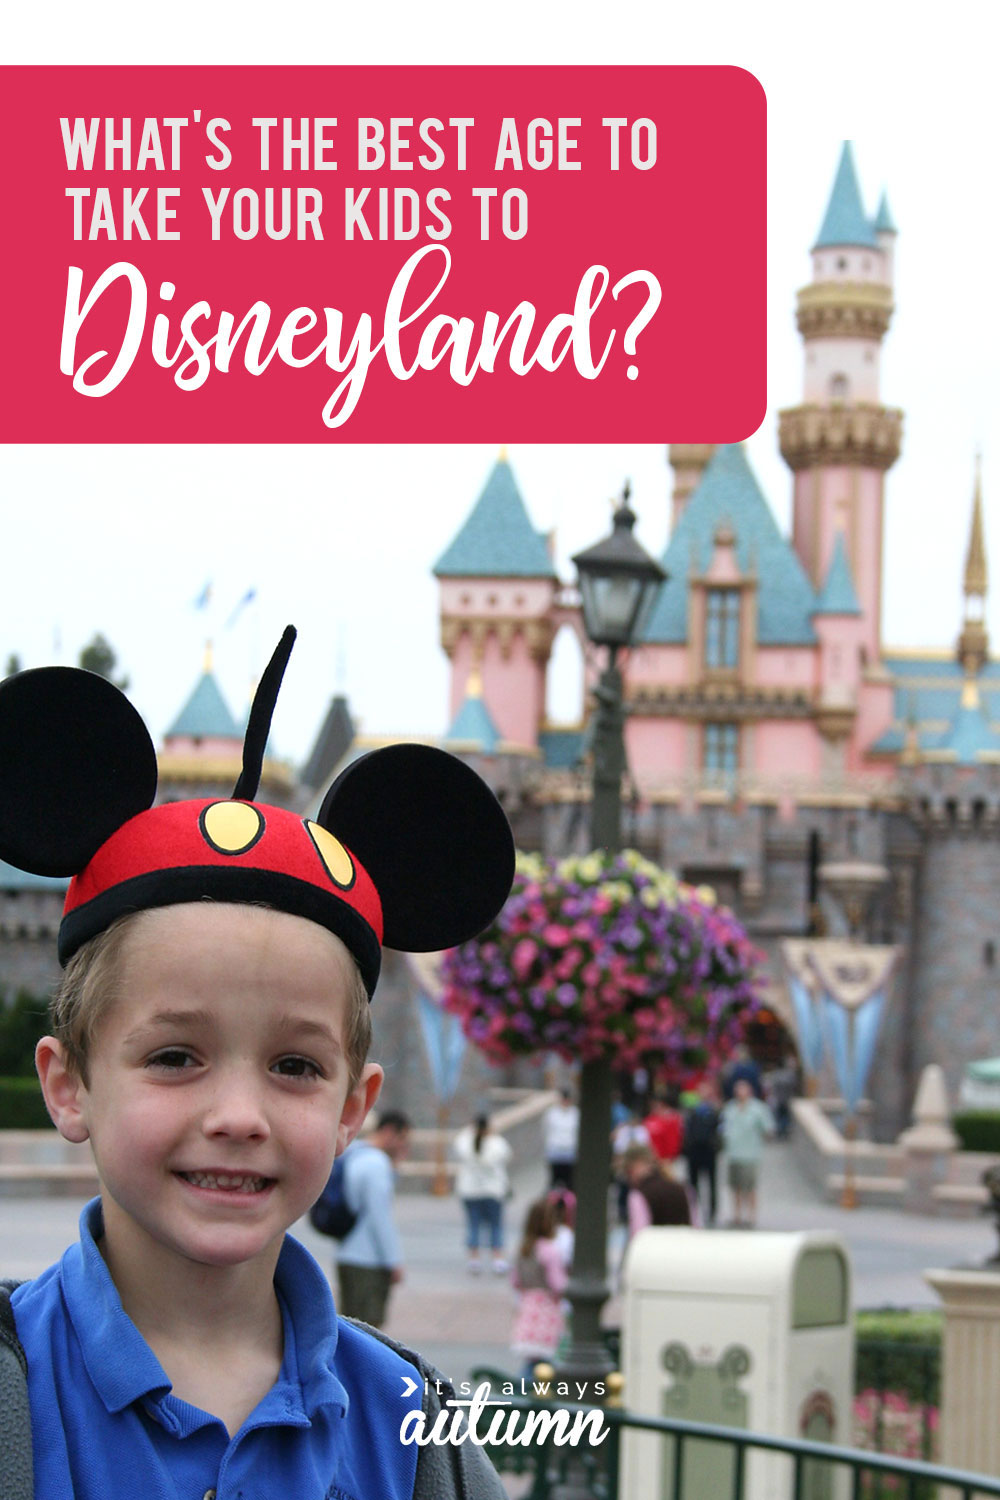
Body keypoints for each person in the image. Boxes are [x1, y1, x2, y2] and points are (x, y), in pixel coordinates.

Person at [0, 632, 514, 1500]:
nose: (239, 1114)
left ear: (355, 1106)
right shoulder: (14, 1401)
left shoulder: (417, 1432)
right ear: (69, 1084)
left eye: (295, 1066)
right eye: (174, 1056)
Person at [336, 1109, 411, 1325]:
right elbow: (381, 1217)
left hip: (346, 1252)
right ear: (389, 1132)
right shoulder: (377, 1165)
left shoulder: (354, 1153)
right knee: (368, 1330)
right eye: (402, 1138)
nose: (403, 1146)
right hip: (368, 1259)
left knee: (348, 1325)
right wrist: (393, 1261)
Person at [510, 1198, 568, 1377]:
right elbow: (557, 1284)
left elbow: (515, 1280)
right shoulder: (549, 1250)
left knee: (533, 1360)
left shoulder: (524, 1248)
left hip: (528, 1305)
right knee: (544, 1362)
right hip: (546, 1308)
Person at [451, 1112, 512, 1275]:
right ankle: (497, 1258)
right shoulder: (497, 1143)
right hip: (493, 1191)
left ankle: (474, 1259)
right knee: (496, 1225)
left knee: (473, 1225)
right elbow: (507, 1156)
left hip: (470, 1190)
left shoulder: (465, 1141)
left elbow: (458, 1143)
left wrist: (472, 1129)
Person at [721, 1077, 776, 1228]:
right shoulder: (730, 1108)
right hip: (734, 1153)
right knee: (735, 1186)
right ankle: (737, 1215)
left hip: (750, 1154)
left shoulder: (758, 1109)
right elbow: (724, 1128)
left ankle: (751, 1216)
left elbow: (768, 1129)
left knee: (750, 1187)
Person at [622, 1144, 692, 1239]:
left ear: (637, 1164)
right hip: (683, 1250)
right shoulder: (683, 1189)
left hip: (655, 1252)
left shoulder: (638, 1195)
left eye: (628, 1172)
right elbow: (696, 1228)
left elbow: (639, 1237)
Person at [683, 1079, 722, 1226]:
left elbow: (720, 1130)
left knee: (711, 1182)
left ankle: (712, 1212)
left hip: (709, 1152)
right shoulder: (692, 1110)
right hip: (694, 1152)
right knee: (693, 1184)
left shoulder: (715, 1110)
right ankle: (695, 1210)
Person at [542, 1086, 579, 1191]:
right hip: (555, 1153)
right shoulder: (552, 1113)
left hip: (570, 1154)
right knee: (554, 1183)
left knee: (570, 1183)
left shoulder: (575, 1113)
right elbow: (546, 1131)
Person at [643, 1090, 684, 1163]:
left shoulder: (672, 1119)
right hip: (651, 1159)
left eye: (656, 1105)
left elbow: (674, 1140)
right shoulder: (649, 1120)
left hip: (666, 1159)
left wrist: (670, 1157)